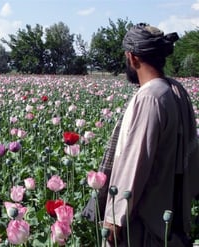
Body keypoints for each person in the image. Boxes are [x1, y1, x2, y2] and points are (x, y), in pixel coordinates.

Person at [83, 23, 199, 246]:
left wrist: (113, 221)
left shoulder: (150, 97)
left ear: (132, 57)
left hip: (145, 226)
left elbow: (134, 163)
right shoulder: (175, 90)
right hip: (171, 218)